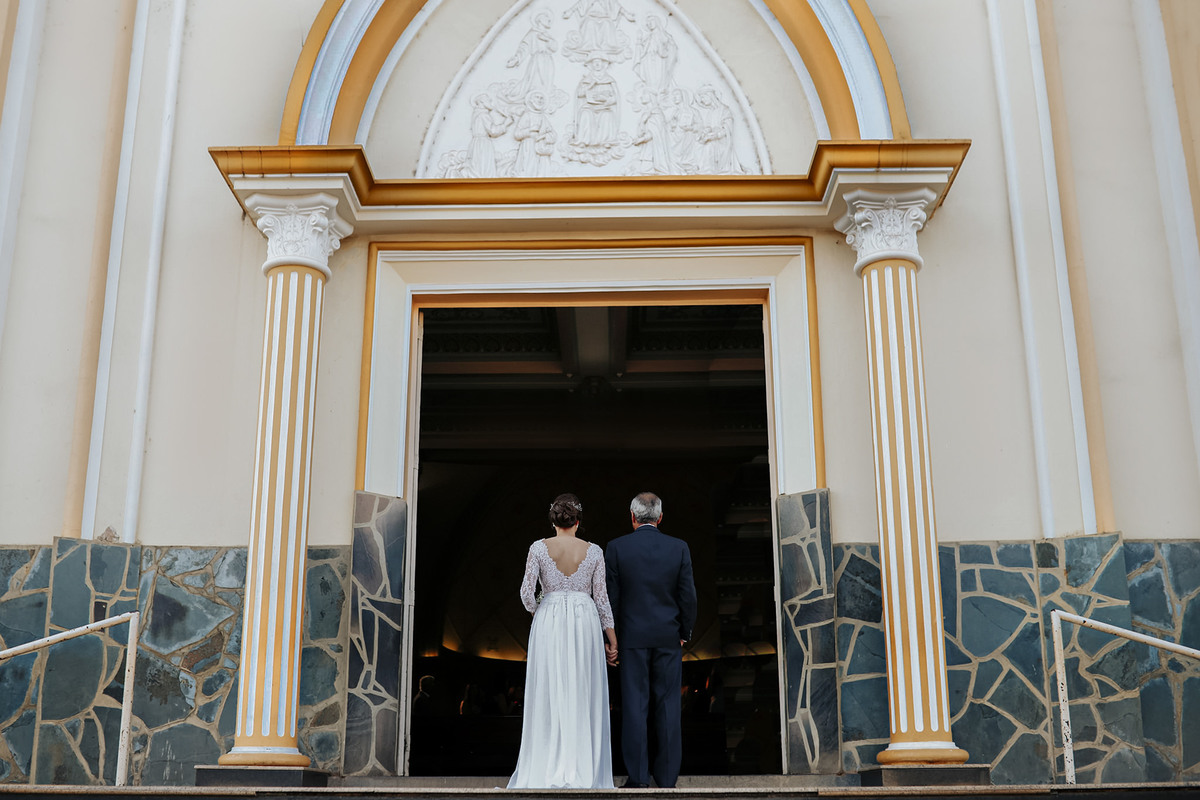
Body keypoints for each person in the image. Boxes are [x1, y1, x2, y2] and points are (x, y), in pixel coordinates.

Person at [507, 494, 618, 789]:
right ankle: (583, 765)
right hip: (585, 620)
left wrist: (541, 609)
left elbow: (526, 593)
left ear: (553, 520)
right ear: (578, 522)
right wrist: (612, 639)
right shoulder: (594, 551)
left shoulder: (538, 548)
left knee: (549, 689)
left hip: (550, 622)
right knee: (583, 690)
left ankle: (545, 764)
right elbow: (602, 599)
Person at [605, 492, 697, 789]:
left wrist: (613, 638)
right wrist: (685, 632)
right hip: (668, 637)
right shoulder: (679, 548)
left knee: (635, 707)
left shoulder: (616, 548)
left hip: (631, 638)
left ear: (632, 517)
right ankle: (667, 778)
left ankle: (639, 777)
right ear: (660, 517)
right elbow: (688, 596)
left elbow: (611, 599)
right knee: (669, 707)